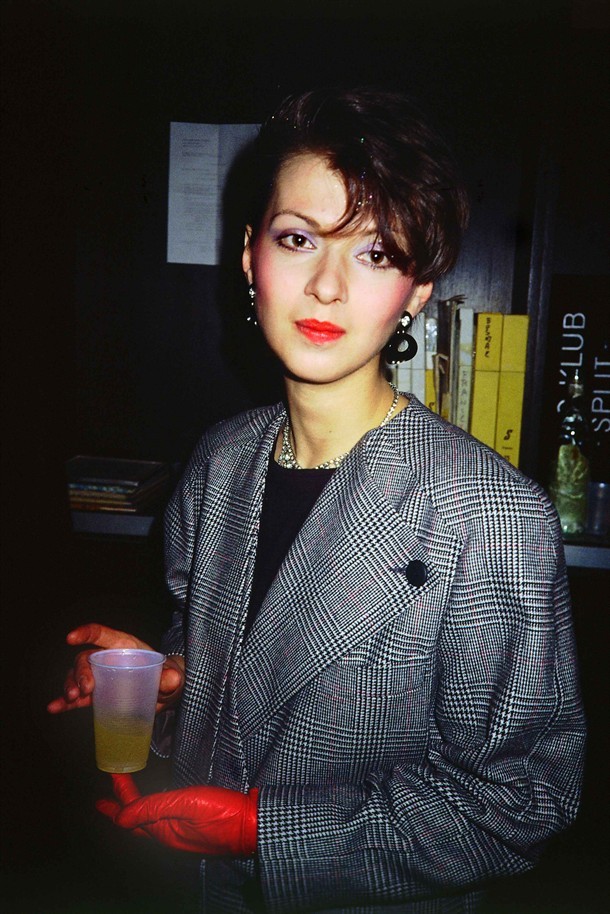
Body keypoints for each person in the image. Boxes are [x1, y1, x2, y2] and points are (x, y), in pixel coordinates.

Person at [48, 87, 586, 914]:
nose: (328, 286)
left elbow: (522, 801)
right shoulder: (220, 462)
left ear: (416, 290)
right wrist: (174, 685)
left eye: (376, 253)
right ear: (249, 257)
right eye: (298, 239)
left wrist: (262, 830)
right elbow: (235, 681)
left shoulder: (491, 516)